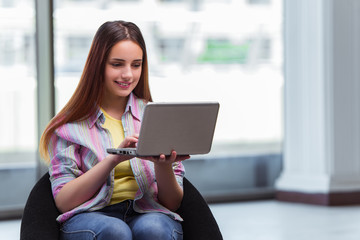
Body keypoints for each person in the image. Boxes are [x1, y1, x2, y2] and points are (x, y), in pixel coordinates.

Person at [39, 20, 190, 240]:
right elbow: (63, 202)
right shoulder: (68, 127)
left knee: (155, 230)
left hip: (146, 210)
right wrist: (112, 160)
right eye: (117, 64)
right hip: (90, 215)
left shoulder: (157, 118)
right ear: (98, 65)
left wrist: (163, 166)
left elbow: (172, 203)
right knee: (115, 231)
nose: (128, 74)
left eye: (136, 65)